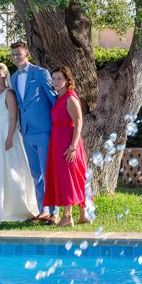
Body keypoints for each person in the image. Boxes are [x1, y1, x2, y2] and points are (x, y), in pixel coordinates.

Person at [0, 63, 38, 224]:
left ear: (6, 75)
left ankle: (14, 207)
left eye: (0, 74)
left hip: (6, 133)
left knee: (9, 170)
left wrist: (10, 137)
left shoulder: (9, 94)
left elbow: (13, 117)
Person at [10, 41, 59, 223]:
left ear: (27, 54)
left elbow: (53, 98)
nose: (16, 57)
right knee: (35, 174)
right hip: (27, 132)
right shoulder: (14, 77)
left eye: (19, 54)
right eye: (13, 54)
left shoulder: (40, 73)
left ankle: (55, 213)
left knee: (48, 173)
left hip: (45, 130)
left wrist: (57, 126)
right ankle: (42, 210)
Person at [43, 66, 88, 227]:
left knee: (68, 178)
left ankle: (67, 216)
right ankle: (84, 214)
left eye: (59, 79)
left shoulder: (70, 98)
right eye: (53, 79)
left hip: (68, 143)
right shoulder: (59, 96)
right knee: (73, 176)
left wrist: (73, 146)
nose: (55, 82)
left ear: (67, 80)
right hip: (58, 140)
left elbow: (79, 122)